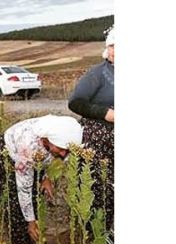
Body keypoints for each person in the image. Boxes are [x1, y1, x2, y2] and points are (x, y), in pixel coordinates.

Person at [0, 115, 83, 244]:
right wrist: (30, 222)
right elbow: (23, 189)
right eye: (60, 149)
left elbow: (55, 157)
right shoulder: (28, 147)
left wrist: (46, 177)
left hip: (34, 155)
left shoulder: (56, 138)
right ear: (47, 139)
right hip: (8, 153)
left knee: (37, 198)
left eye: (66, 150)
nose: (63, 154)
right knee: (14, 203)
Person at [68, 26, 114, 231]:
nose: (115, 50)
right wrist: (106, 113)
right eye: (112, 45)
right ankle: (95, 233)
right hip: (98, 137)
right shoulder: (97, 74)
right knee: (99, 188)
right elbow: (75, 103)